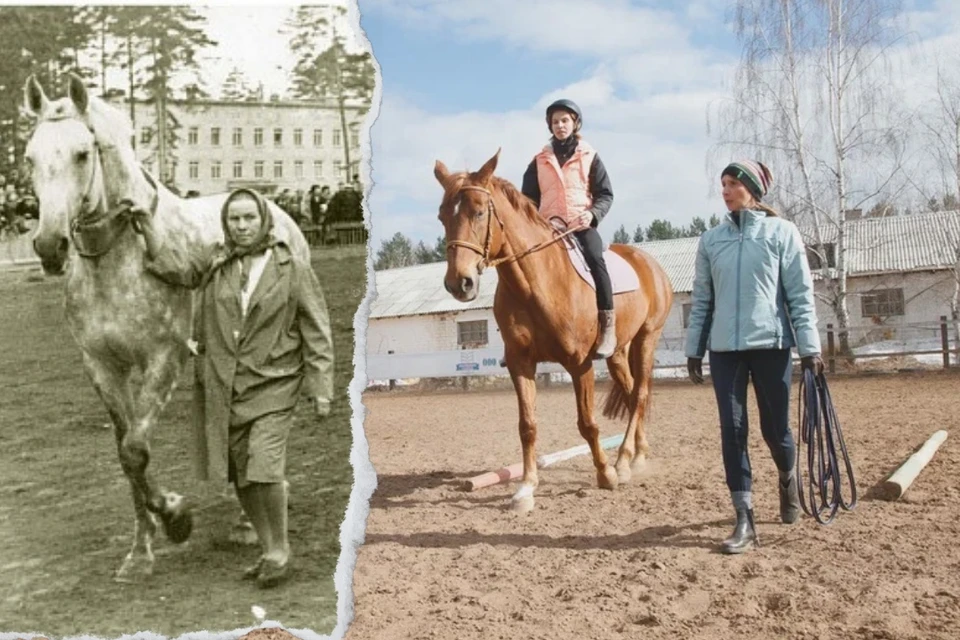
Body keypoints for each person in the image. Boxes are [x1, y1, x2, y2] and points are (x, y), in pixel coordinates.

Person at [132, 188, 335, 587]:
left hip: (275, 382)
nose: (242, 227)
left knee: (263, 465)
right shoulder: (216, 262)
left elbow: (318, 329)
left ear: (264, 221)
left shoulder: (291, 267)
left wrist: (321, 386)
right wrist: (146, 229)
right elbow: (177, 269)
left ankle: (280, 551)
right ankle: (268, 547)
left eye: (249, 219)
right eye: (235, 220)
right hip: (225, 384)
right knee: (241, 474)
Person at [685, 160, 824, 555]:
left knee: (776, 431)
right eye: (722, 184)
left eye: (732, 184)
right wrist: (695, 347)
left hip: (771, 344)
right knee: (733, 430)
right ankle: (743, 517)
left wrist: (810, 347)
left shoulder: (782, 233)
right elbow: (703, 300)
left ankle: (787, 477)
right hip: (725, 349)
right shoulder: (711, 240)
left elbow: (799, 294)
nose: (725, 191)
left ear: (752, 189)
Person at [520, 98, 616, 358]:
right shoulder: (538, 161)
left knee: (596, 259)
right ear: (550, 127)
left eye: (565, 120)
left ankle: (608, 325)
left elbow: (606, 194)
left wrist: (592, 215)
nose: (560, 125)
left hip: (580, 223)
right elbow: (527, 200)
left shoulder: (590, 156)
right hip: (548, 228)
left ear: (575, 123)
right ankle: (517, 335)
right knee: (520, 266)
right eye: (555, 122)